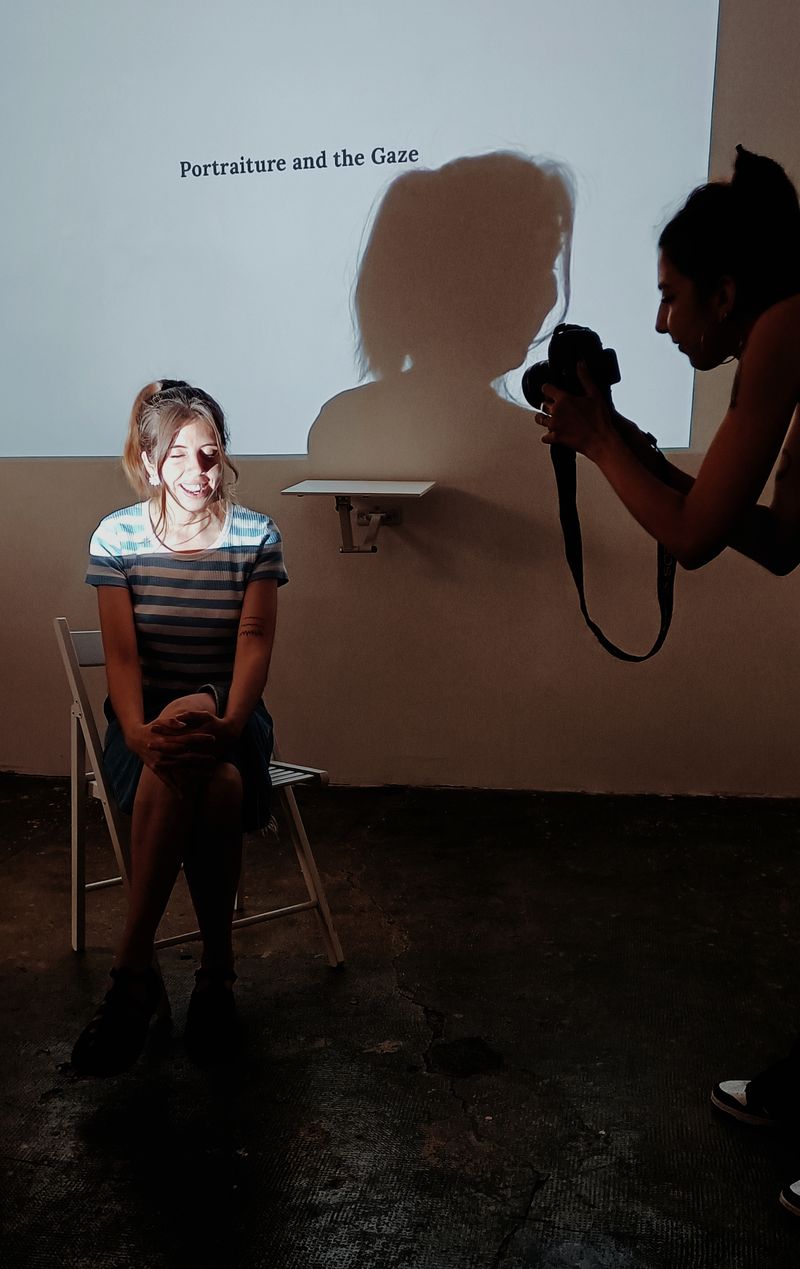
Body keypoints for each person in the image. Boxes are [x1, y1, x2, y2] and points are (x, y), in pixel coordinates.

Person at [535, 145, 800, 1214]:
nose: (657, 325)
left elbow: (692, 540)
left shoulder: (782, 329)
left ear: (724, 294)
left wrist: (600, 445)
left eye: (668, 297)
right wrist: (639, 454)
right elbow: (777, 541)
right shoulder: (785, 324)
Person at [71, 380, 288, 1075]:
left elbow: (254, 639)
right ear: (149, 459)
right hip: (144, 730)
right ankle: (216, 977)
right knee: (216, 789)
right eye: (183, 456)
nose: (202, 471)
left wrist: (225, 721)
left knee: (192, 720)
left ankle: (131, 973)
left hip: (231, 716)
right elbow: (124, 655)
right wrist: (134, 732)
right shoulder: (118, 536)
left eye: (212, 454)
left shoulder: (255, 534)